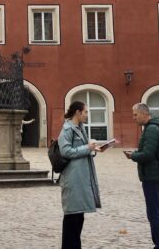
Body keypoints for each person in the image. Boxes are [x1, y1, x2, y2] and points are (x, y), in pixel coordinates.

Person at [58, 101, 103, 249]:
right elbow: (66, 151)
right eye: (85, 112)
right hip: (73, 177)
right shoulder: (67, 129)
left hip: (81, 177)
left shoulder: (80, 128)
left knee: (78, 215)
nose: (87, 115)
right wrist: (87, 147)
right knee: (72, 215)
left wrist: (93, 148)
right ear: (77, 112)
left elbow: (81, 149)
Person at [124, 103, 159, 249]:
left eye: (135, 115)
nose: (134, 118)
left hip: (152, 175)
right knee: (154, 211)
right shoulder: (153, 127)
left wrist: (133, 156)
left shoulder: (151, 129)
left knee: (153, 213)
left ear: (144, 114)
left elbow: (148, 154)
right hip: (154, 174)